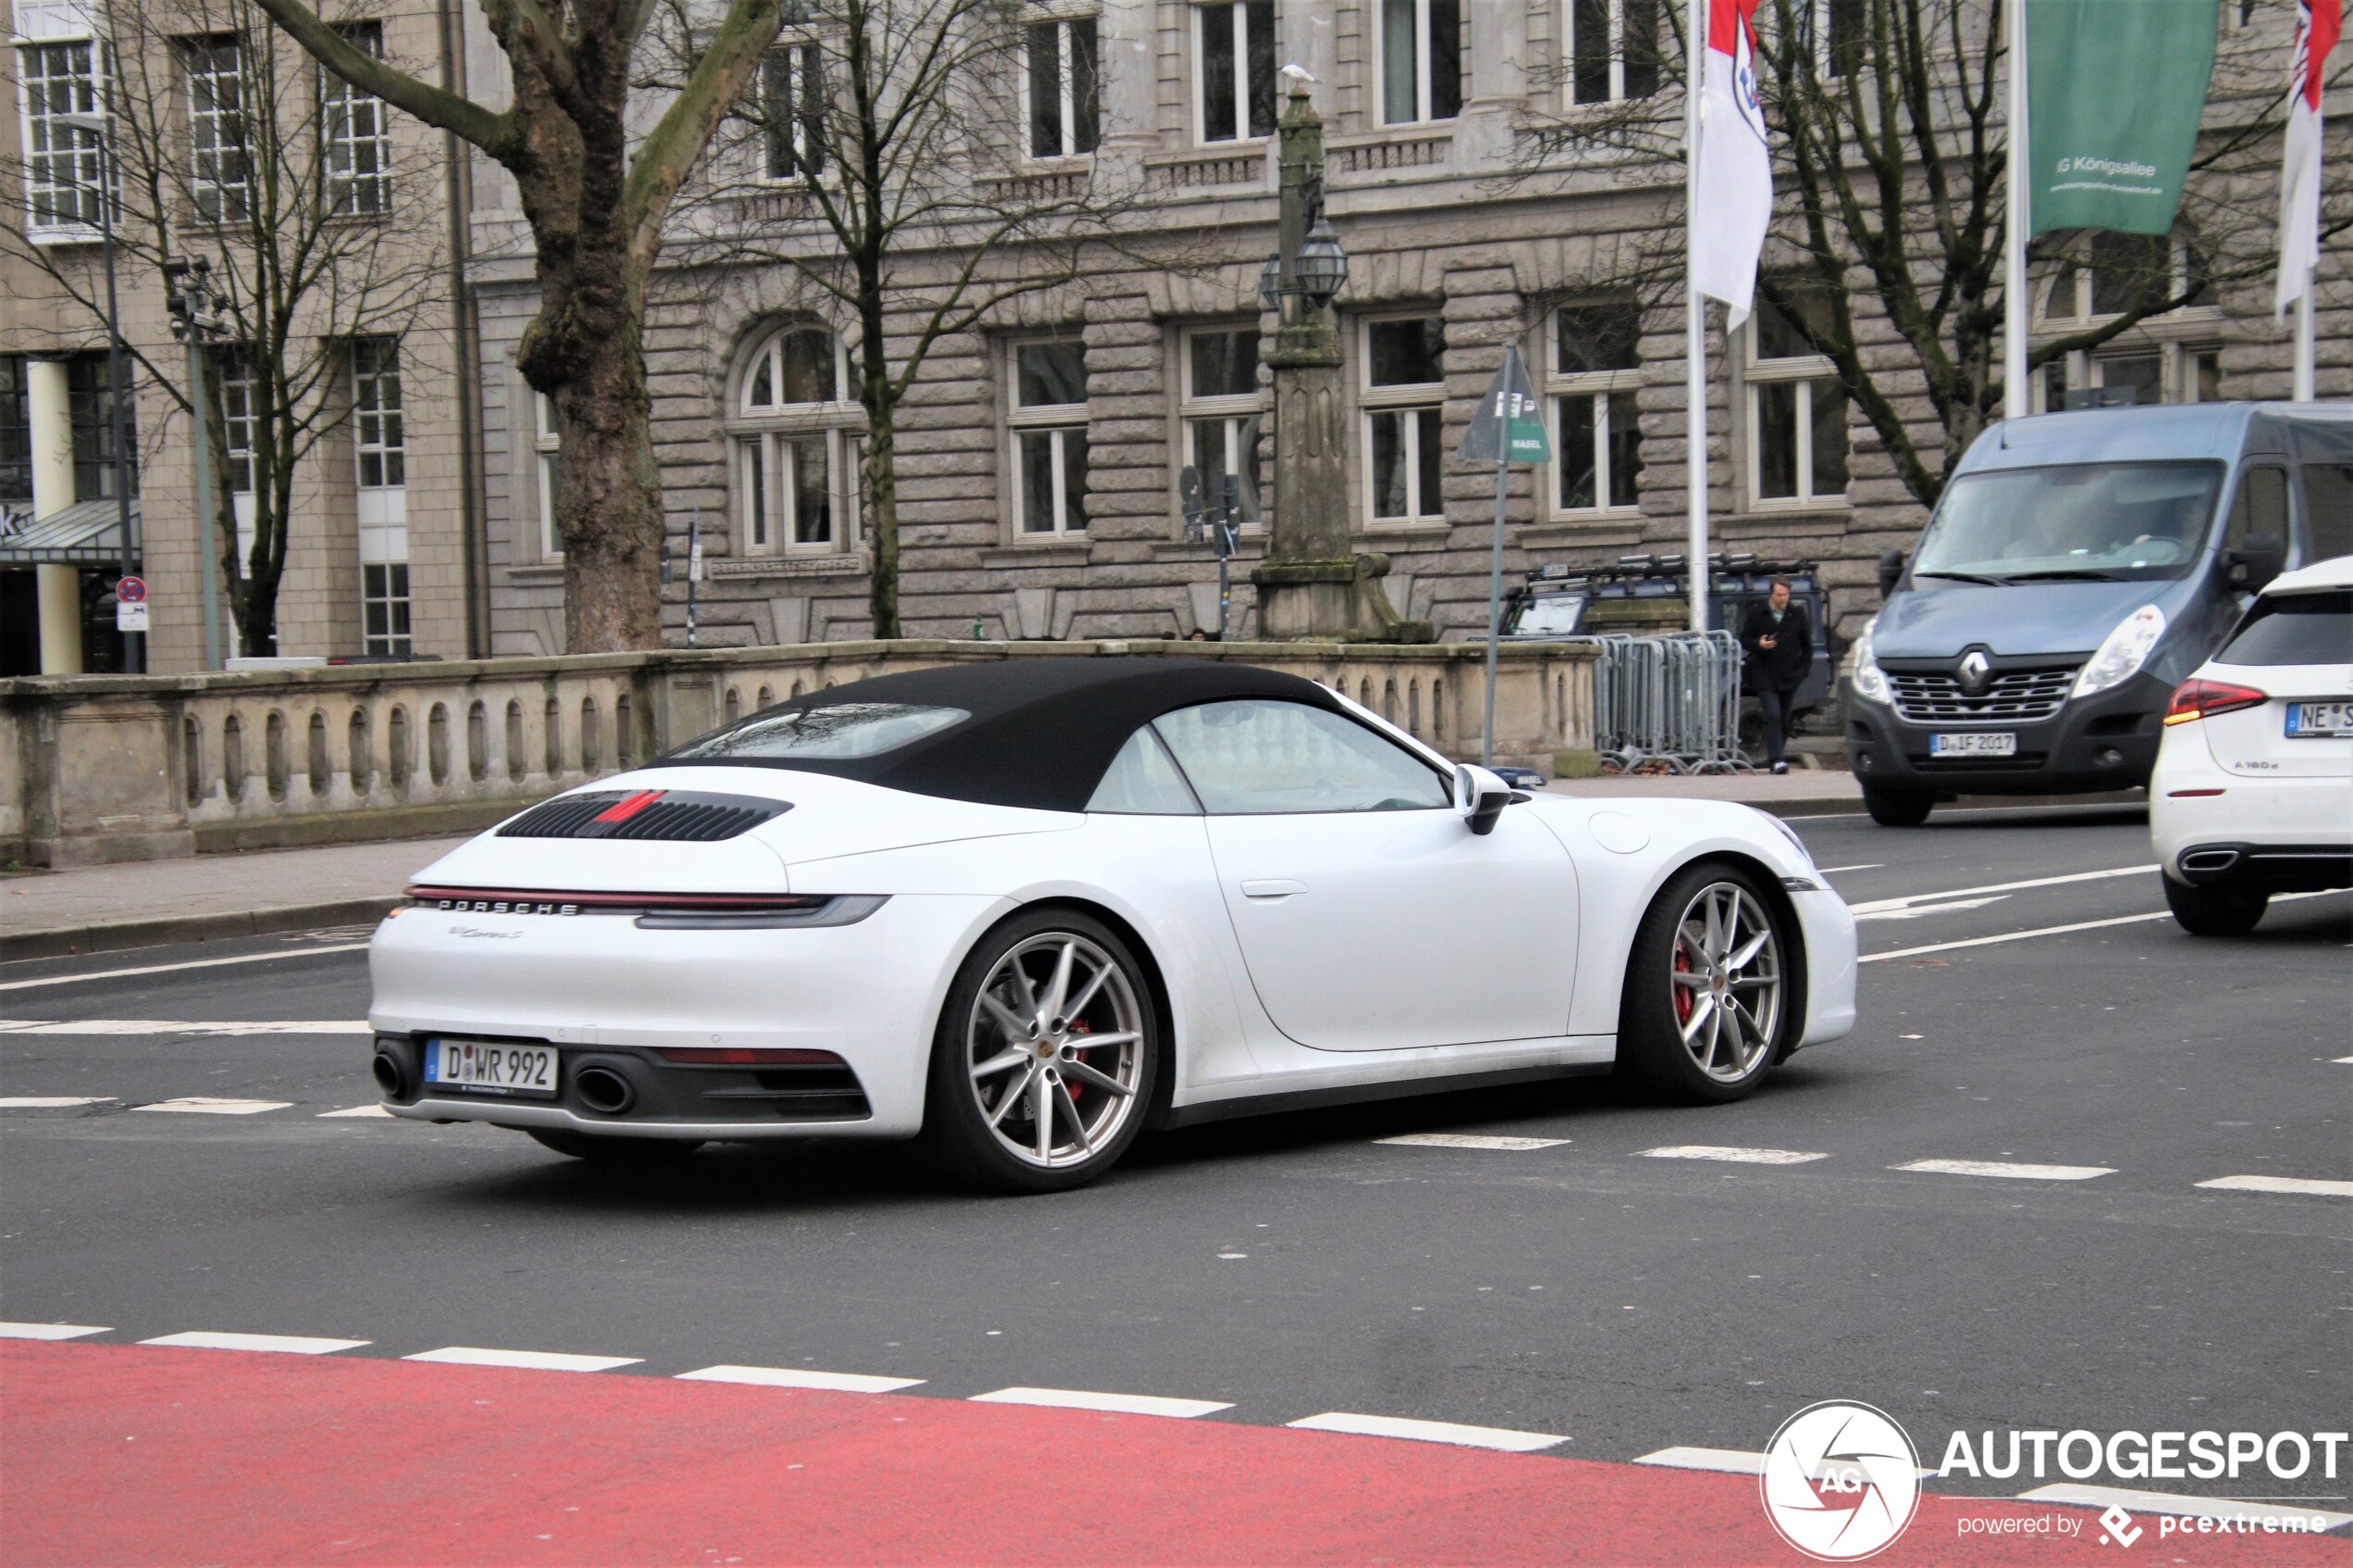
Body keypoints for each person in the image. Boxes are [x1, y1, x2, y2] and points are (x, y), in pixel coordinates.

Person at [1738, 577, 1812, 774]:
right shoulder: (1758, 613)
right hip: (1764, 672)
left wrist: (1803, 670)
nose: (1783, 599)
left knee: (1785, 718)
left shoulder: (1797, 614)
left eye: (1786, 595)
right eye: (1779, 595)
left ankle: (1779, 752)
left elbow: (1807, 645)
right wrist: (1759, 644)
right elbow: (1744, 638)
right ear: (1772, 593)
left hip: (1790, 673)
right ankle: (1776, 759)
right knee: (1772, 714)